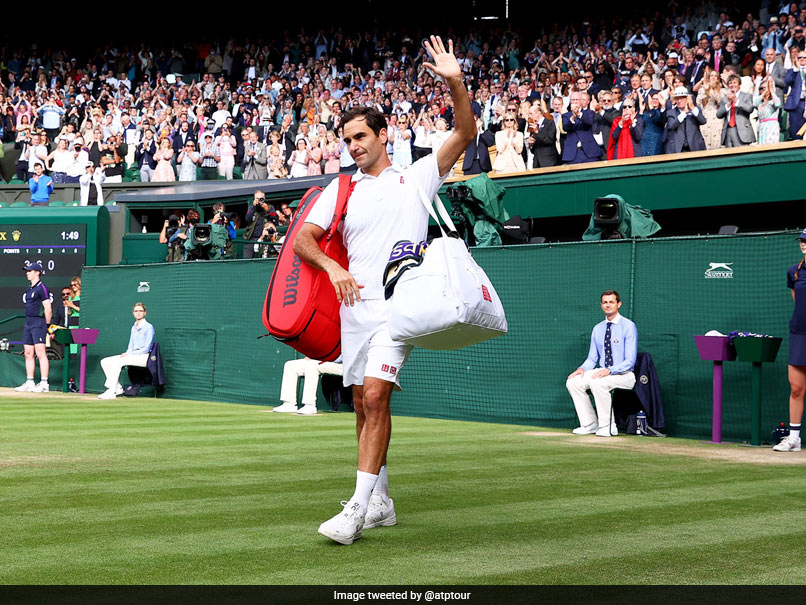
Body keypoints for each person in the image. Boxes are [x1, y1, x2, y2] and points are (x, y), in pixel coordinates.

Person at [294, 35, 474, 545]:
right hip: (355, 310)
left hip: (399, 308)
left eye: (360, 136)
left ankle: (355, 510)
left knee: (376, 396)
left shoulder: (417, 177)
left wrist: (455, 81)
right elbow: (304, 239)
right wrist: (332, 267)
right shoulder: (341, 188)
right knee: (360, 403)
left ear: (382, 134)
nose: (353, 146)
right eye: (347, 140)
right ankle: (381, 502)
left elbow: (465, 131)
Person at [566, 290, 638, 437]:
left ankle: (608, 426)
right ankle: (589, 424)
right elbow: (592, 359)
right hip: (603, 372)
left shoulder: (628, 326)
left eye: (611, 302)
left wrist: (610, 370)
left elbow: (630, 361)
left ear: (619, 304)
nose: (608, 305)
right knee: (573, 382)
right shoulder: (597, 328)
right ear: (601, 305)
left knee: (597, 382)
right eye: (605, 302)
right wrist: (581, 369)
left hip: (625, 375)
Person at [775, 230, 806, 452]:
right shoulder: (793, 272)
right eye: (802, 241)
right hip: (799, 333)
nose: (803, 244)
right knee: (796, 388)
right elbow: (798, 302)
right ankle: (794, 439)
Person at [97, 302, 154, 400]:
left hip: (144, 357)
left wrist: (130, 354)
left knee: (119, 362)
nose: (138, 313)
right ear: (133, 313)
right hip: (133, 355)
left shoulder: (149, 327)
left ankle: (111, 391)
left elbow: (146, 348)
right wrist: (128, 353)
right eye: (136, 311)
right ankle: (118, 388)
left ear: (145, 313)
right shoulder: (133, 327)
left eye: (140, 311)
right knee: (105, 361)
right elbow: (130, 345)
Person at [15, 261, 53, 393]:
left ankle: (44, 383)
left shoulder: (42, 288)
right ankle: (30, 382)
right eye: (27, 271)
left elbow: (48, 309)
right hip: (29, 322)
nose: (27, 273)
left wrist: (47, 326)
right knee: (28, 353)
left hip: (39, 323)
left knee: (41, 352)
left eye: (30, 271)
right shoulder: (29, 288)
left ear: (37, 272)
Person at [272, 357, 345, 416]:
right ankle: (289, 404)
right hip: (325, 361)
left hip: (345, 365)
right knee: (290, 365)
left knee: (311, 366)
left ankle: (310, 405)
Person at [716, 75, 756, 147]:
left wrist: (736, 100)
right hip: (728, 131)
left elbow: (750, 109)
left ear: (739, 85)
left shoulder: (747, 96)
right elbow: (718, 114)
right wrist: (728, 104)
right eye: (730, 83)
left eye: (734, 82)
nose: (732, 85)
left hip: (742, 131)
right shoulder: (725, 99)